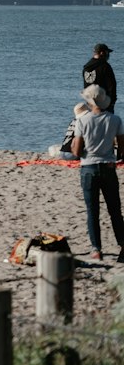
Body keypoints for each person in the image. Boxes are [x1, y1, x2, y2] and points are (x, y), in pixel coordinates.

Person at [71, 83, 124, 262]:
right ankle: (123, 245)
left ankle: (96, 249)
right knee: (115, 210)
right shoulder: (115, 120)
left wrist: (78, 149)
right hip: (108, 167)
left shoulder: (82, 121)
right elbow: (122, 149)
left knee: (92, 211)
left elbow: (77, 152)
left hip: (89, 167)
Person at [83, 43, 117, 112]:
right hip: (104, 103)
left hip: (90, 103)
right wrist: (112, 102)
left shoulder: (86, 68)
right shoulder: (105, 67)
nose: (108, 55)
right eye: (107, 53)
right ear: (102, 53)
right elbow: (112, 86)